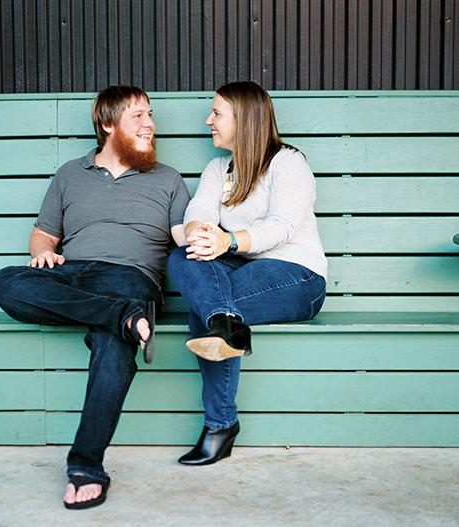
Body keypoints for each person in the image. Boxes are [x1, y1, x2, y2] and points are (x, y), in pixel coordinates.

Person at [0, 85, 190, 509]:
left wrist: (205, 236)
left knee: (114, 343)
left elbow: (181, 236)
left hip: (131, 279)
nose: (150, 124)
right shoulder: (69, 174)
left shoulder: (169, 179)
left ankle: (86, 467)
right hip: (72, 275)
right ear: (107, 124)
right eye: (137, 116)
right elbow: (44, 234)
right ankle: (123, 316)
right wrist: (43, 252)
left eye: (150, 115)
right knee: (6, 281)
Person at [167, 81, 327, 466]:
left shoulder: (288, 163)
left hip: (298, 277)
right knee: (183, 257)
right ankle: (226, 323)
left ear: (246, 119)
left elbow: (283, 226)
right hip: (240, 272)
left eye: (217, 114)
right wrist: (199, 234)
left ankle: (219, 426)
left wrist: (227, 242)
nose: (209, 121)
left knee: (203, 306)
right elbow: (199, 211)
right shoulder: (217, 168)